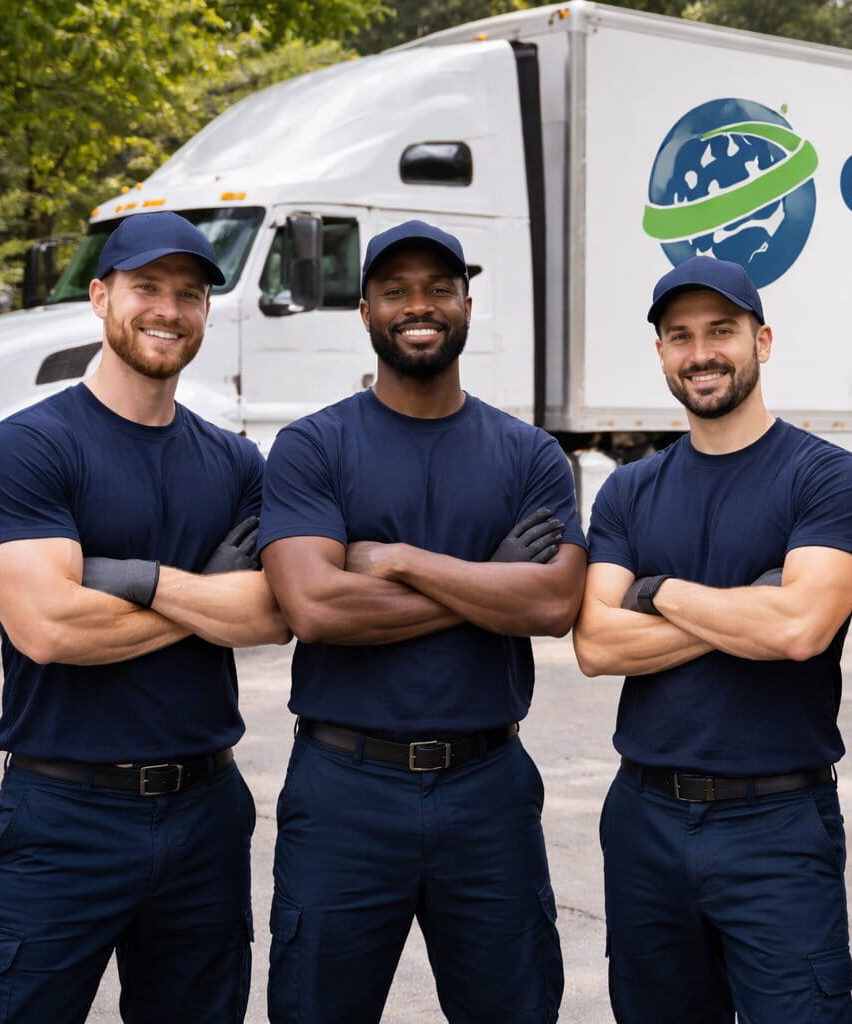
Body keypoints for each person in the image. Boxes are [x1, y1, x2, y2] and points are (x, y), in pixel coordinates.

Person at [0, 211, 289, 1023]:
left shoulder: (236, 461)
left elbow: (273, 614)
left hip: (207, 811)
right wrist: (205, 593)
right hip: (65, 811)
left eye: (189, 293)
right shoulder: (27, 448)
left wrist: (133, 578)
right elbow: (51, 629)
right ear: (101, 297)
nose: (168, 309)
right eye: (146, 288)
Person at [258, 220, 586, 1024]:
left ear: (467, 305)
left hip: (489, 790)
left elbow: (551, 604)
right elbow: (315, 605)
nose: (420, 305)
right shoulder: (312, 447)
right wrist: (489, 580)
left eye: (439, 288)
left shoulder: (530, 454)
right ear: (365, 311)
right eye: (396, 290)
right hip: (344, 788)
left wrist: (400, 560)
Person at [572, 255, 852, 1023]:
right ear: (662, 354)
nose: (701, 352)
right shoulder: (631, 490)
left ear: (762, 340)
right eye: (680, 336)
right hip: (644, 819)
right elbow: (597, 644)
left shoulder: (826, 477)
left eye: (721, 331)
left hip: (775, 823)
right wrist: (754, 607)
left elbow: (802, 628)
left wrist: (660, 592)